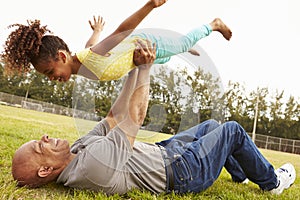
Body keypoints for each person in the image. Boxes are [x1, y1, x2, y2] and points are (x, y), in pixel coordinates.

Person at [12, 40, 296, 196]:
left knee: (211, 126)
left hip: (165, 153)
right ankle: (273, 183)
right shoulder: (90, 168)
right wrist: (146, 68)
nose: (45, 138)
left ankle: (240, 176)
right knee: (231, 130)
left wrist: (133, 68)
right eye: (40, 146)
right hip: (184, 173)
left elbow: (113, 117)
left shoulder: (75, 151)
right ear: (45, 171)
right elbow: (133, 119)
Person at [2, 0, 232, 82]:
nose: (53, 78)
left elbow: (123, 30)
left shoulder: (90, 58)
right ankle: (182, 45)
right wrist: (97, 30)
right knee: (164, 58)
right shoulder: (84, 58)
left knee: (178, 46)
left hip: (143, 42)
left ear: (62, 56)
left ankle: (212, 25)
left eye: (50, 72)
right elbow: (91, 43)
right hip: (135, 58)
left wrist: (149, 5)